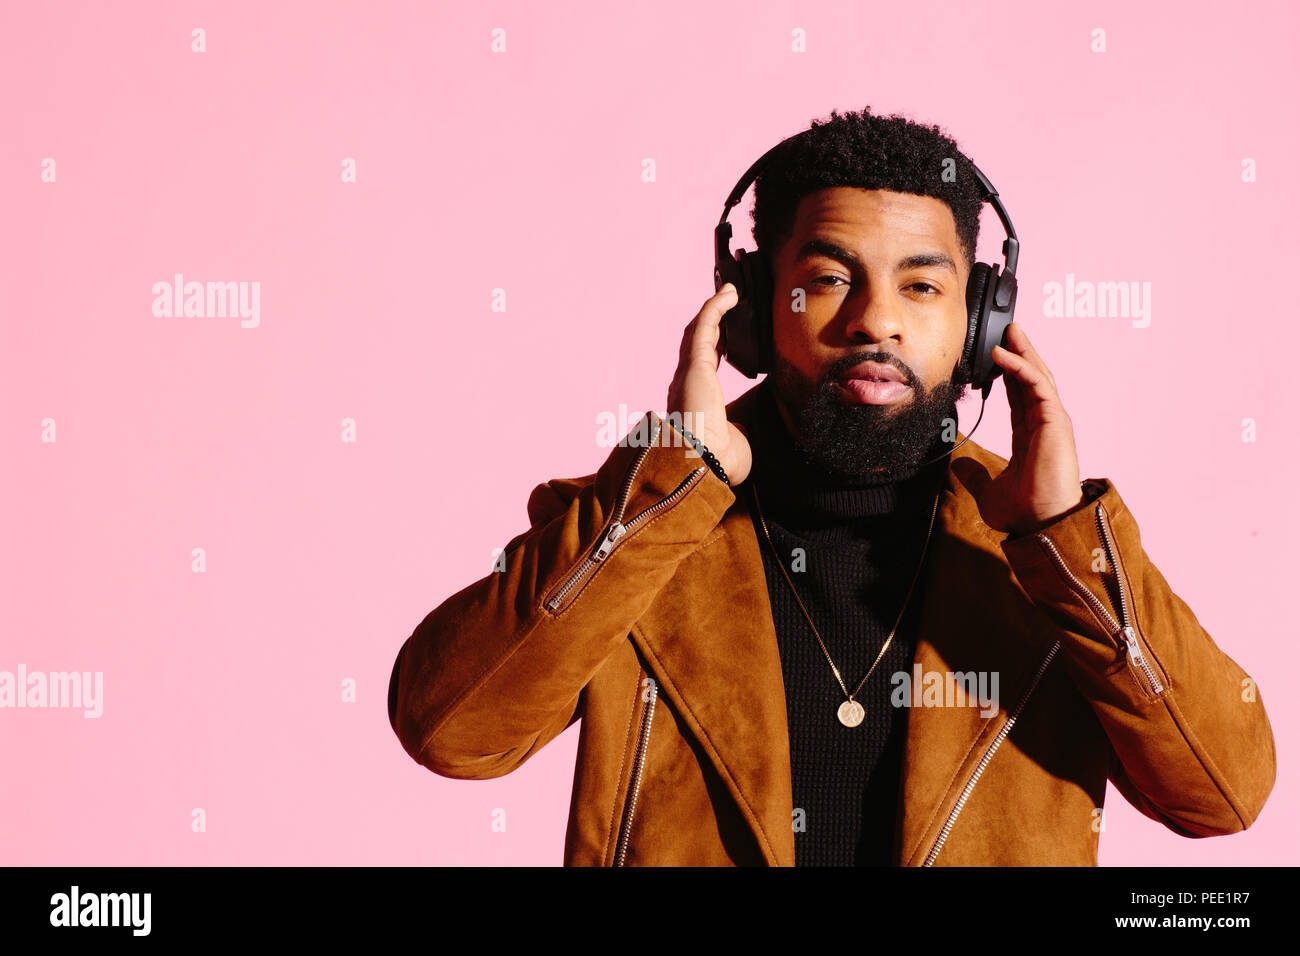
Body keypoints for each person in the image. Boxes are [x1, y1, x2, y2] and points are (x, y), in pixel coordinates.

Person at [386, 107, 1276, 866]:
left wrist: (1063, 538)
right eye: (829, 279)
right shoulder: (641, 525)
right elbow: (448, 731)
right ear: (752, 304)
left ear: (981, 324)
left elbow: (1223, 796)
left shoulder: (1048, 552)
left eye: (923, 285)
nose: (875, 319)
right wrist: (668, 488)